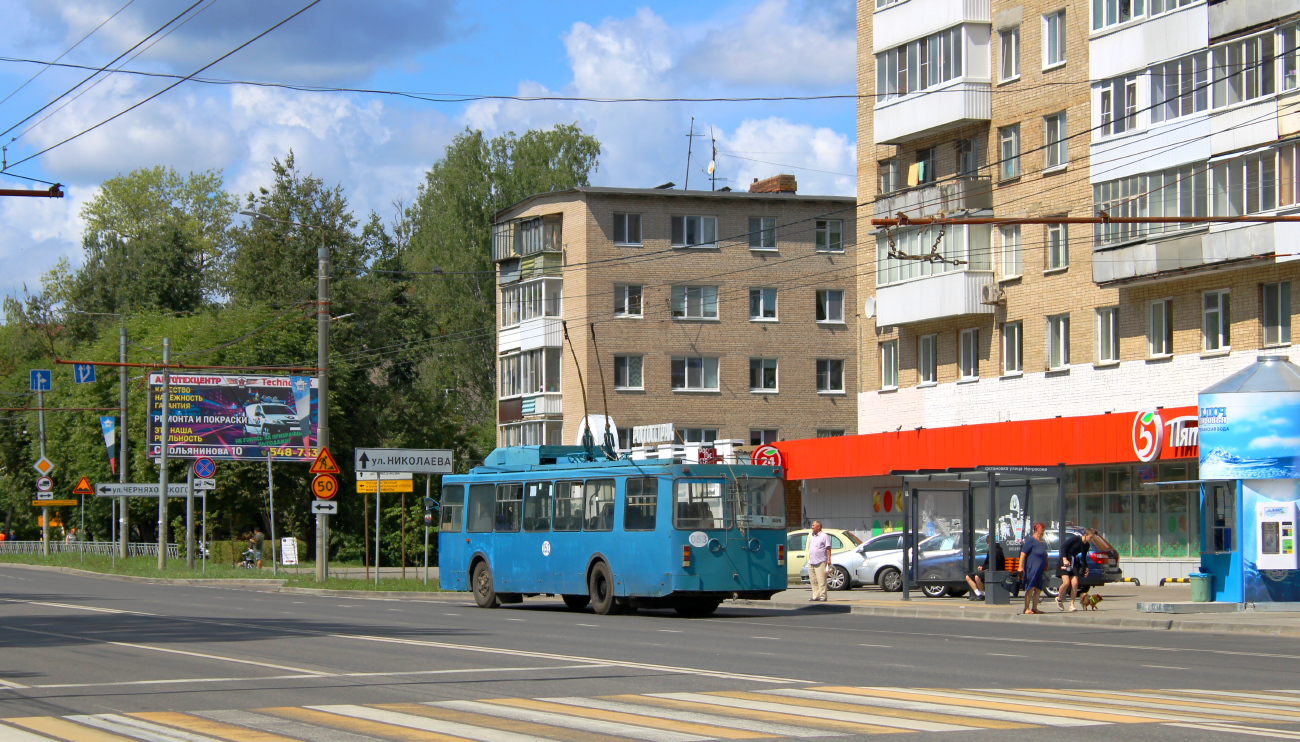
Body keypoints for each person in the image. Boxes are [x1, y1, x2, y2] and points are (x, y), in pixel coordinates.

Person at [1056, 528, 1096, 612]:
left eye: (1093, 538)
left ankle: (1072, 604)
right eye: (1091, 537)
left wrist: (1086, 568)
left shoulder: (1086, 545)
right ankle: (1059, 599)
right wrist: (1064, 559)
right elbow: (1063, 547)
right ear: (1085, 535)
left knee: (1075, 583)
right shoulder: (1076, 538)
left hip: (1074, 562)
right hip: (1065, 560)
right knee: (1066, 582)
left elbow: (1083, 557)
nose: (1092, 540)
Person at [1020, 522, 1049, 614]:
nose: (1043, 532)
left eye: (1044, 530)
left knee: (1038, 588)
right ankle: (1026, 608)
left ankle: (1034, 608)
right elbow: (1023, 553)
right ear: (1036, 530)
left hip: (1039, 569)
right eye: (1041, 530)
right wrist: (1020, 566)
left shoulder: (1040, 541)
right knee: (1031, 587)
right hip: (1032, 568)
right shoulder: (1031, 540)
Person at [807, 521, 833, 602]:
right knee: (813, 580)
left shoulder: (824, 536)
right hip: (811, 561)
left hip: (820, 561)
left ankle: (823, 596)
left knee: (821, 580)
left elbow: (828, 548)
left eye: (813, 525)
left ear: (819, 527)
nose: (812, 527)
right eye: (812, 525)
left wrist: (828, 559)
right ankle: (816, 596)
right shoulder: (812, 536)